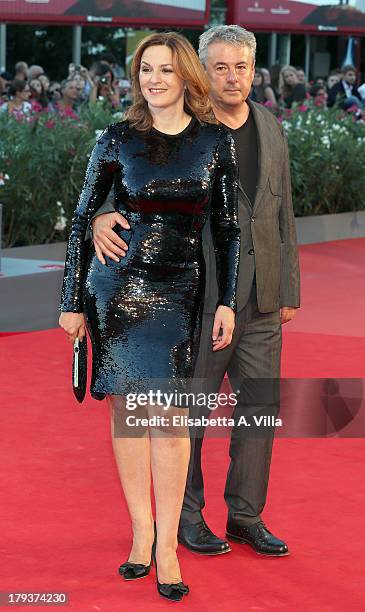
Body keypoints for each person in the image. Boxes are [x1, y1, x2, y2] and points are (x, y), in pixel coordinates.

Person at [89, 25, 300, 559]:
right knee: (187, 414)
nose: (233, 77)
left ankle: (247, 516)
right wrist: (102, 215)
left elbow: (282, 213)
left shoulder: (272, 127)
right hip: (194, 299)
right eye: (222, 66)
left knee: (259, 410)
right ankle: (185, 517)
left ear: (255, 71)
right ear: (199, 71)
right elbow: (125, 188)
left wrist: (288, 287)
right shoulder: (184, 128)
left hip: (262, 300)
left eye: (243, 67)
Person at [58, 32, 240, 602]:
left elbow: (228, 231)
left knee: (170, 420)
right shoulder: (117, 139)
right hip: (117, 290)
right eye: (145, 71)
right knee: (129, 415)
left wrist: (228, 300)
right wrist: (69, 301)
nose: (154, 80)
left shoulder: (215, 141)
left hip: (181, 291)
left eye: (164, 70)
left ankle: (167, 545)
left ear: (187, 76)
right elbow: (83, 216)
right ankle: (143, 533)